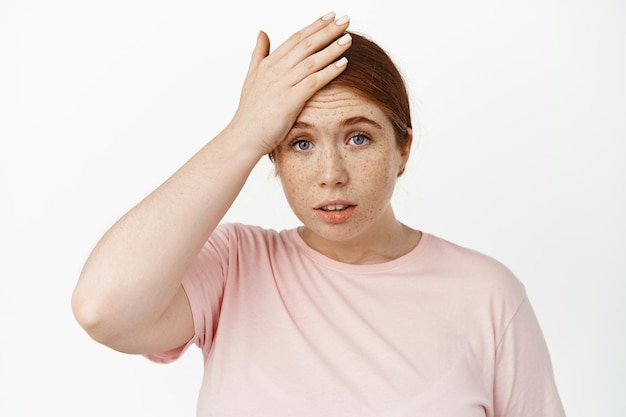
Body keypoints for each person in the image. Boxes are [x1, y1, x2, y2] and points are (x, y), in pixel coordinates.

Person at [72, 12, 566, 417]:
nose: (331, 174)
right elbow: (103, 309)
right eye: (301, 143)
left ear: (403, 149)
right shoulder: (234, 265)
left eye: (358, 137)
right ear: (274, 156)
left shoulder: (489, 295)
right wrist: (243, 132)